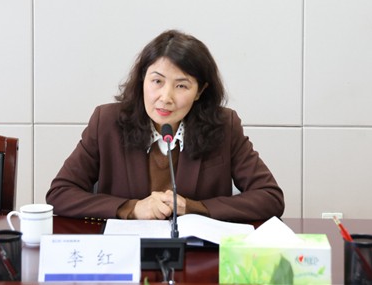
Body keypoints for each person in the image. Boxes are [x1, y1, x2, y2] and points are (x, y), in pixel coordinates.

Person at [46, 30, 285, 222]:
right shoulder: (107, 122)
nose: (165, 97)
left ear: (200, 91)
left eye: (181, 86)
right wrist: (132, 208)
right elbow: (60, 193)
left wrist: (194, 208)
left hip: (196, 257)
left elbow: (270, 197)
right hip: (126, 255)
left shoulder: (224, 126)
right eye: (157, 81)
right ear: (143, 79)